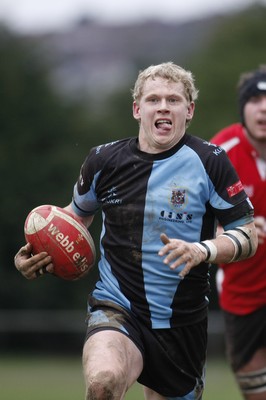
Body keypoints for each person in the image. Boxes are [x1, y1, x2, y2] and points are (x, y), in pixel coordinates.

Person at [14, 62, 257, 400]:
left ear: (189, 111)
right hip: (117, 306)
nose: (163, 107)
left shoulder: (211, 161)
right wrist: (34, 253)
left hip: (181, 323)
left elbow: (247, 234)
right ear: (136, 109)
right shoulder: (103, 161)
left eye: (173, 100)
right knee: (103, 382)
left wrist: (203, 250)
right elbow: (74, 219)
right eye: (153, 99)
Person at [211, 65, 266, 400]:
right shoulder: (221, 152)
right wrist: (234, 230)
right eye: (256, 99)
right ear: (243, 107)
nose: (264, 108)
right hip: (242, 294)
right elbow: (194, 220)